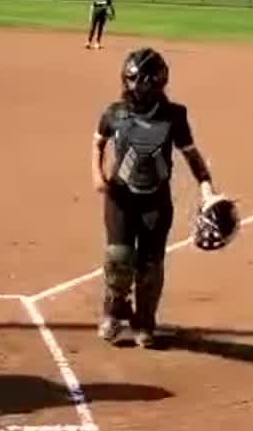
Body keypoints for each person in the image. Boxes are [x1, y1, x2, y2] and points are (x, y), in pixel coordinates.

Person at [91, 48, 222, 349]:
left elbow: (190, 154)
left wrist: (206, 187)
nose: (134, 88)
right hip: (121, 198)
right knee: (119, 258)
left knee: (150, 266)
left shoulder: (174, 116)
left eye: (140, 82)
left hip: (156, 202)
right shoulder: (115, 113)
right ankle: (113, 310)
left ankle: (145, 320)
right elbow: (97, 143)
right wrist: (97, 175)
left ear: (156, 83)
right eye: (130, 80)